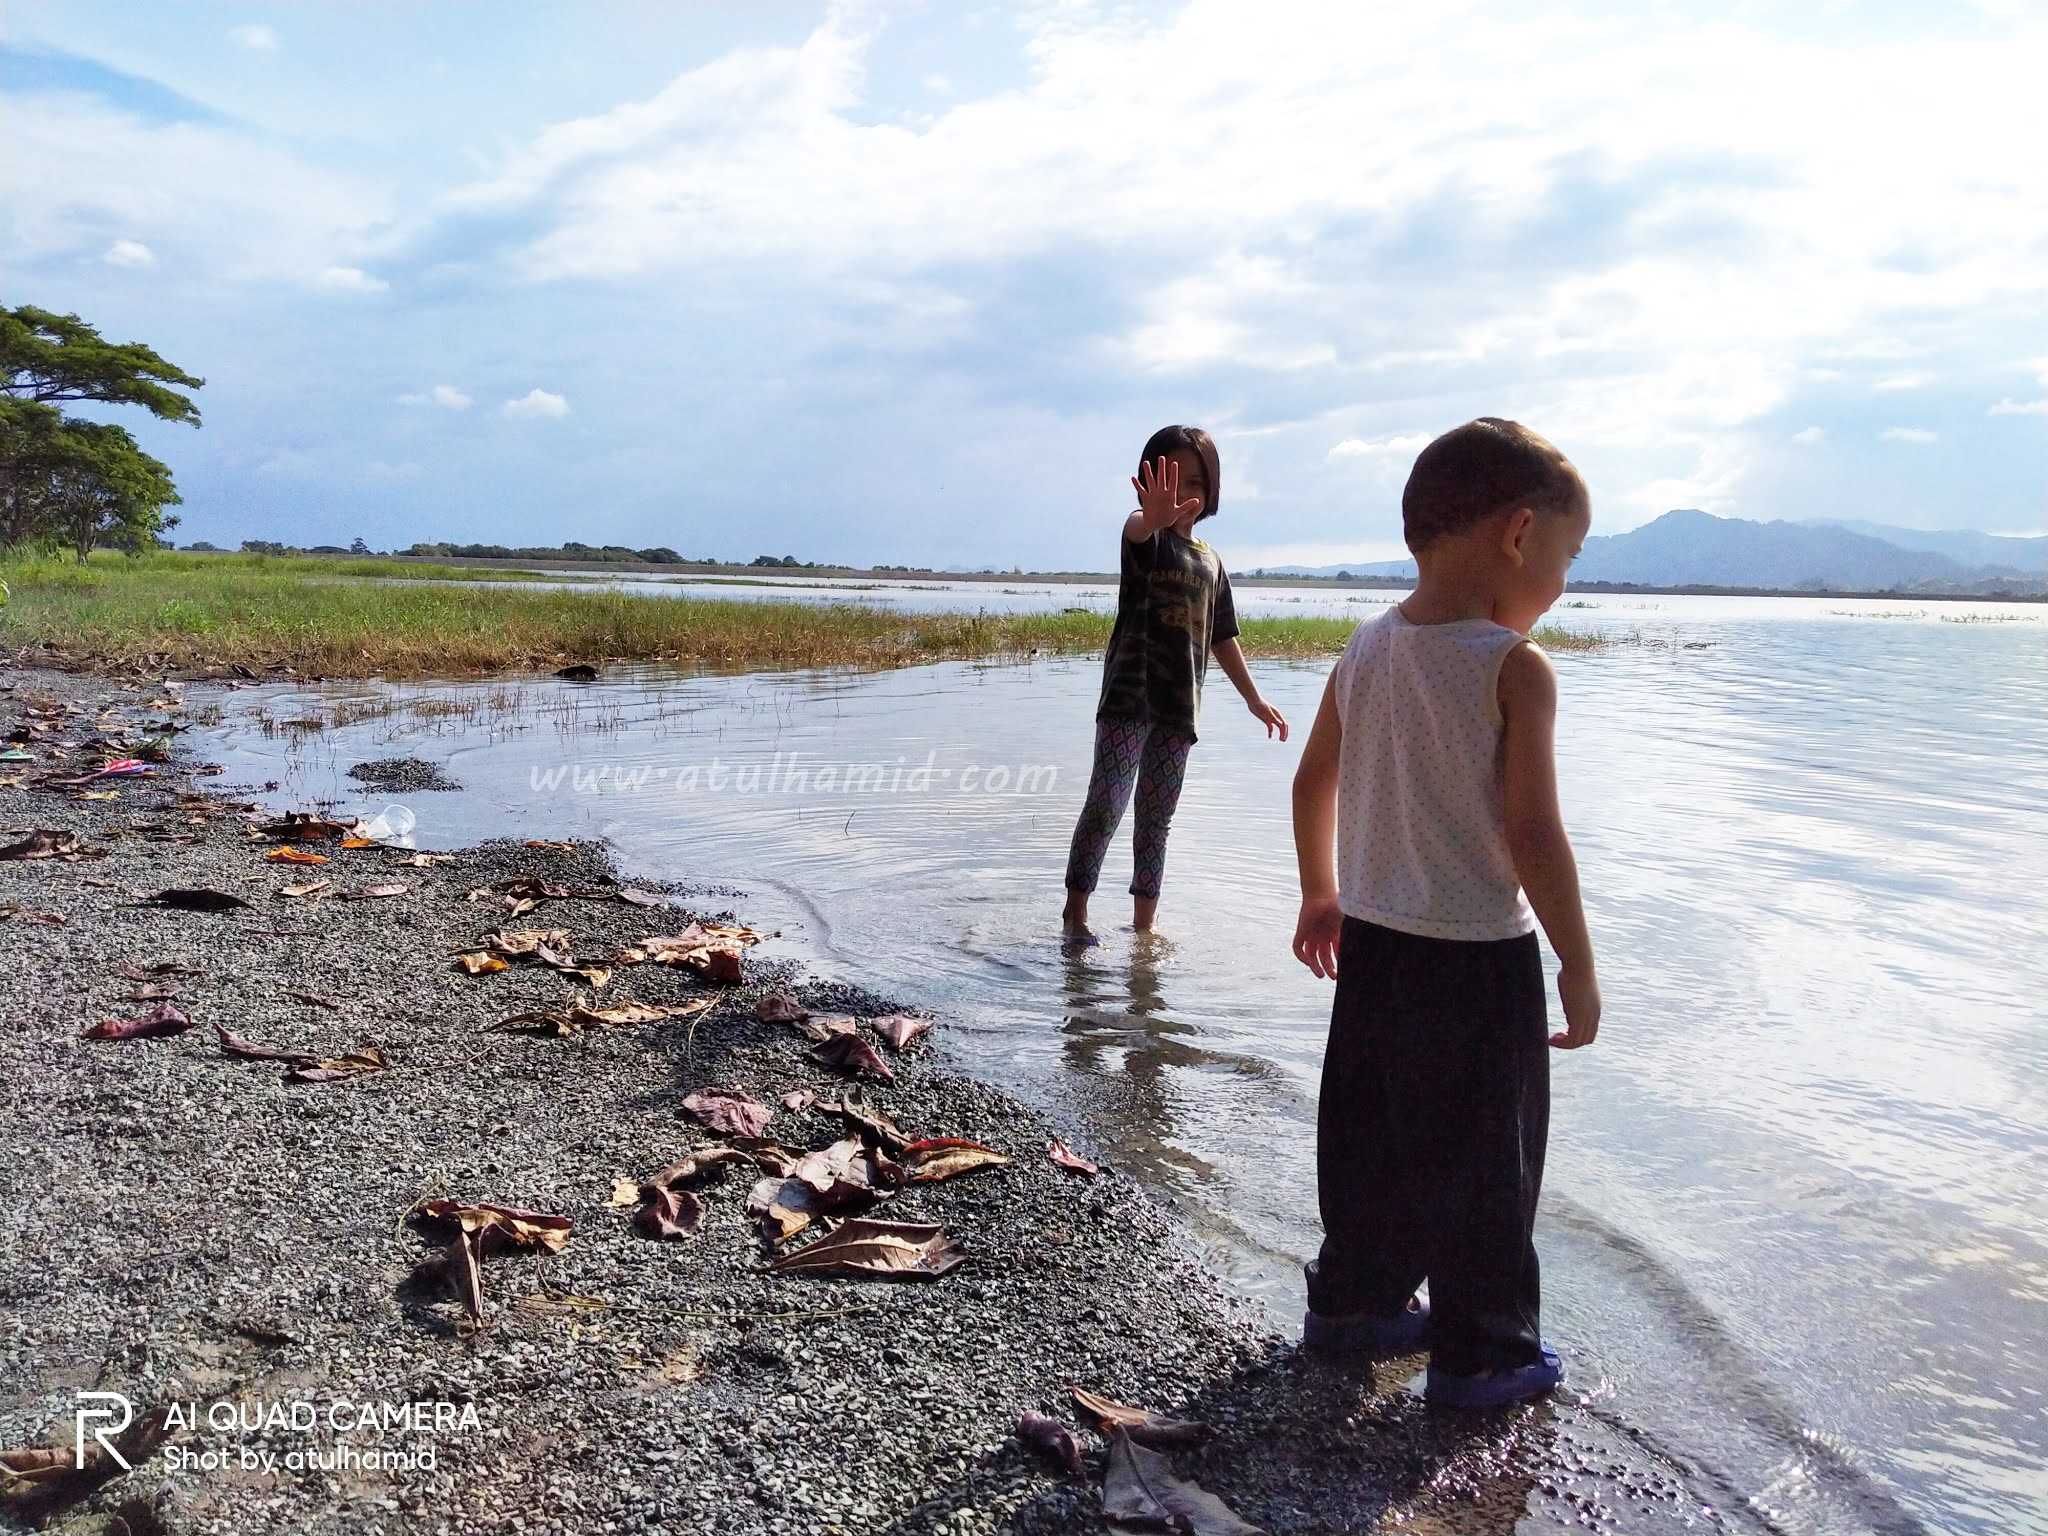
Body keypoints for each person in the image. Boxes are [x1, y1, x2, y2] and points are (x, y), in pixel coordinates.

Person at [1288, 417, 1602, 1408]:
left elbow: (1312, 780)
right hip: (1474, 961)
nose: (1559, 584)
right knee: (1487, 1169)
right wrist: (1577, 964)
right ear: (1516, 537)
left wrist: (1319, 890)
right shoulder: (1511, 667)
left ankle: (1351, 1305)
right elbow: (1533, 837)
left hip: (1374, 949)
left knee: (1368, 1144)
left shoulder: (1367, 648)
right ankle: (1482, 1354)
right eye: (1566, 556)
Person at [1062, 425, 1288, 939]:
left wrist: (1254, 698)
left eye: (1195, 482)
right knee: (1107, 802)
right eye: (1171, 479)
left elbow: (1222, 634)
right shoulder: (1145, 538)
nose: (1184, 492)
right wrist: (1151, 517)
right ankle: (1076, 913)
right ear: (1147, 480)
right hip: (1128, 698)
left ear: (1211, 491)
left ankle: (1144, 929)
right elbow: (1137, 530)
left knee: (1156, 818)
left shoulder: (1210, 561)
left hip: (1179, 709)